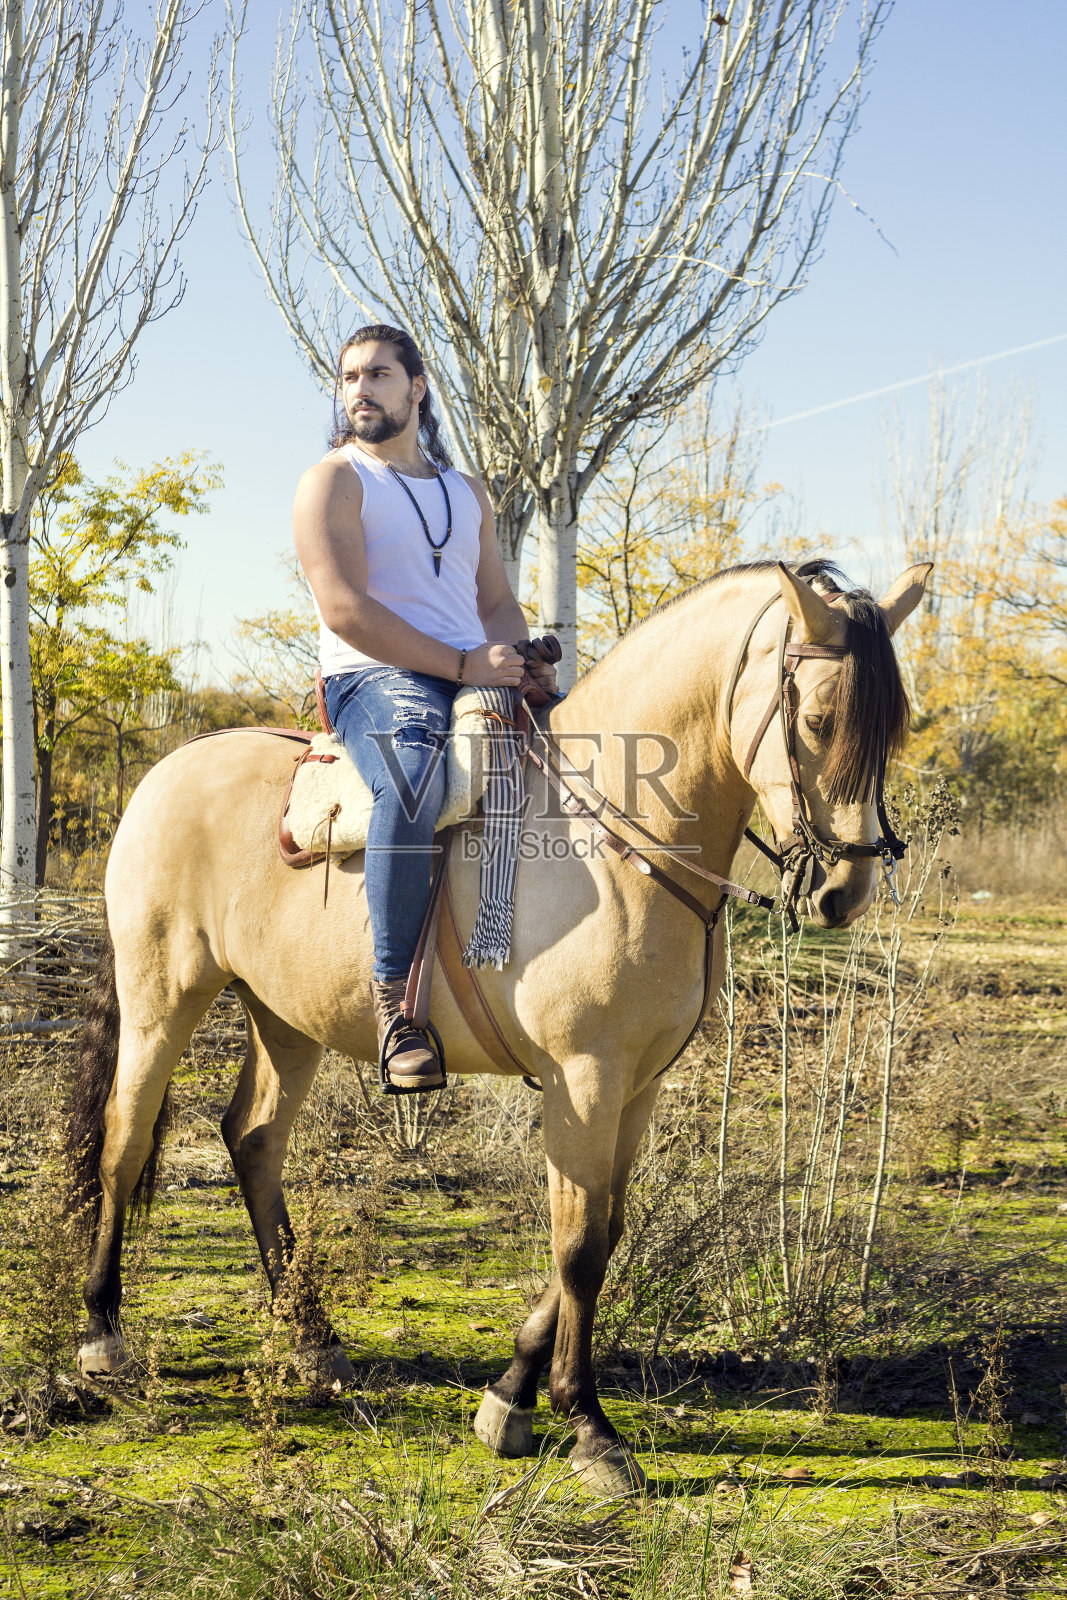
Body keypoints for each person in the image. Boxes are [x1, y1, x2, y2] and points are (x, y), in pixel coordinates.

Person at [293, 325, 557, 1092]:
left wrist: (514, 659)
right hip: (373, 678)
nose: (358, 390)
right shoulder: (334, 481)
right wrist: (462, 662)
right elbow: (343, 609)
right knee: (413, 777)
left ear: (417, 388)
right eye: (348, 378)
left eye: (377, 374)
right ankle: (394, 1007)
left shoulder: (465, 492)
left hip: (469, 670)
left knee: (580, 750)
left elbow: (496, 602)